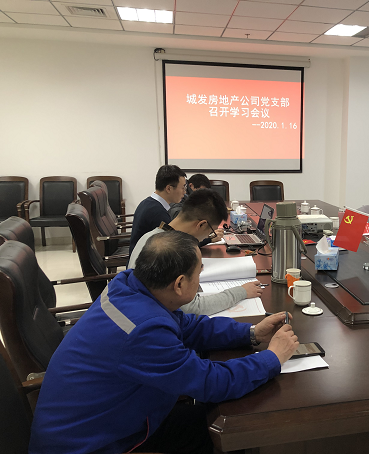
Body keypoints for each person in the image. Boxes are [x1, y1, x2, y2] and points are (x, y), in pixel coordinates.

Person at [29, 230, 299, 454]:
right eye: (199, 272)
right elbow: (211, 383)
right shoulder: (143, 330)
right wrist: (272, 358)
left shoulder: (128, 286)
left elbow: (188, 326)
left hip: (109, 419)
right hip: (94, 444)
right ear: (179, 284)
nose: (200, 278)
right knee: (234, 429)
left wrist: (251, 333)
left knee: (217, 420)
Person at [129, 188, 258, 316]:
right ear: (201, 225)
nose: (208, 236)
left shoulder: (150, 237)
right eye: (210, 232)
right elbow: (193, 308)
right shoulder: (171, 253)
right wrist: (241, 292)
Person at [129, 165, 187, 255]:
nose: (184, 192)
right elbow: (174, 246)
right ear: (169, 188)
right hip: (143, 261)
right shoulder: (157, 213)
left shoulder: (147, 203)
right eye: (183, 188)